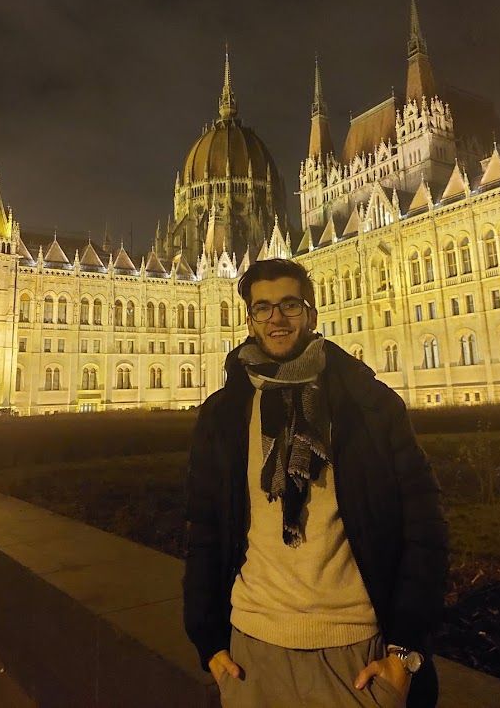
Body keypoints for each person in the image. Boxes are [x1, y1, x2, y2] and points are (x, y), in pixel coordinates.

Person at [183, 259, 448, 707]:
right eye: (263, 308)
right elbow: (205, 531)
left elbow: (424, 528)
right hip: (252, 655)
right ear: (249, 319)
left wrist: (404, 651)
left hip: (356, 657)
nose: (277, 318)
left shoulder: (370, 407)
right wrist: (207, 639)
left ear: (311, 313)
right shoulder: (224, 414)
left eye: (289, 304)